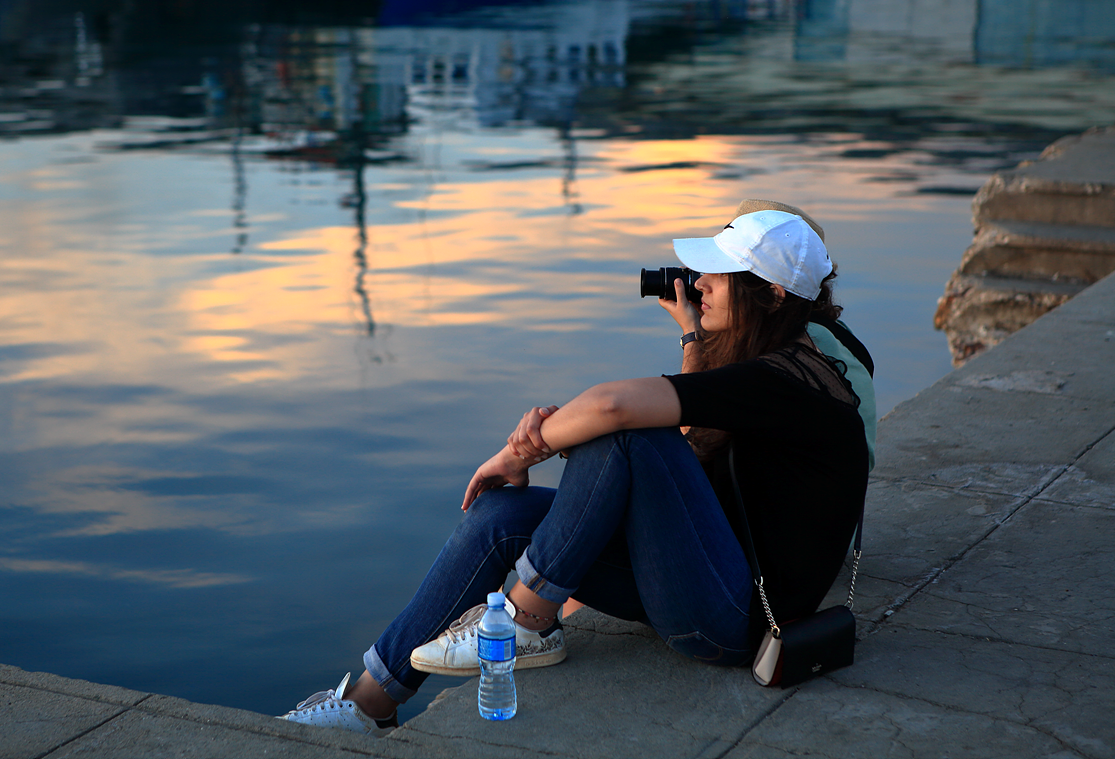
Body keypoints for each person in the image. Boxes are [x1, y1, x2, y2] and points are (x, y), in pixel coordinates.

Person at [279, 209, 869, 735]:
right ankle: (368, 703)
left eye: (720, 274)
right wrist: (680, 346)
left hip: (735, 624)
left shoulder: (789, 383)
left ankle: (527, 620)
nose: (700, 283)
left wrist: (520, 453)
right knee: (502, 514)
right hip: (702, 579)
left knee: (626, 431)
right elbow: (683, 461)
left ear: (771, 294)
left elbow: (615, 408)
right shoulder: (772, 365)